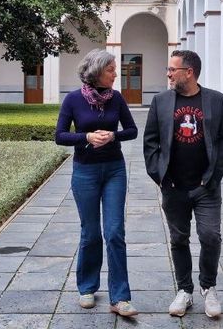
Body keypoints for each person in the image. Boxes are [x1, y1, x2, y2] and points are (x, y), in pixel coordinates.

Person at [143, 50, 223, 318]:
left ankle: (209, 287)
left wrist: (214, 176)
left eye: (173, 69)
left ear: (189, 72)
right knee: (179, 239)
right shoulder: (160, 101)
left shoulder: (216, 101)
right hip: (173, 186)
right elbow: (150, 141)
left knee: (210, 236)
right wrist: (158, 174)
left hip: (206, 187)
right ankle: (185, 291)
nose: (169, 74)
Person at [55, 49, 139, 317]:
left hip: (114, 169)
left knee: (115, 232)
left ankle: (121, 297)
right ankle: (87, 288)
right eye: (111, 69)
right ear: (96, 72)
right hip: (85, 172)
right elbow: (59, 136)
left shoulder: (116, 98)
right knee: (90, 232)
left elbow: (132, 130)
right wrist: (87, 137)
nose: (116, 74)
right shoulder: (73, 100)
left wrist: (113, 137)